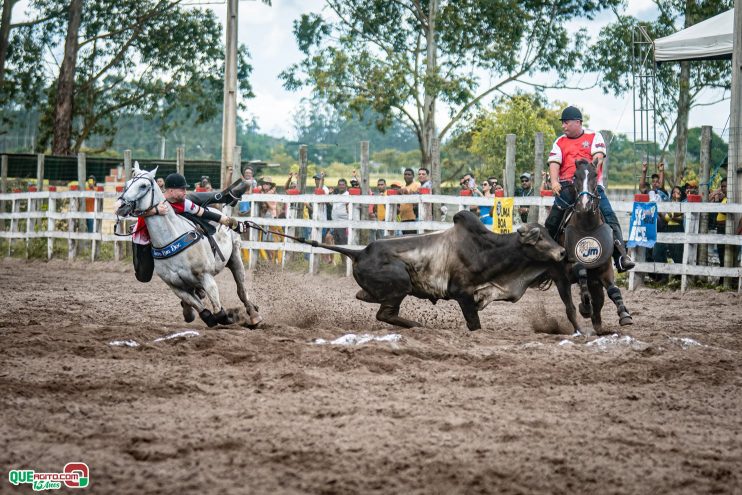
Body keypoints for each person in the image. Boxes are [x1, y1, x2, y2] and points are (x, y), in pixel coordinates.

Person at [545, 105, 635, 272]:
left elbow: (598, 155)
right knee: (552, 220)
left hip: (591, 186)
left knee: (609, 216)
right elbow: (554, 162)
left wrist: (594, 164)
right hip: (567, 186)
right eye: (562, 123)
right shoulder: (560, 141)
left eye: (566, 122)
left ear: (578, 122)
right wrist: (555, 181)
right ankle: (545, 258)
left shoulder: (594, 136)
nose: (563, 126)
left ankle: (621, 256)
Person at [131, 173, 240, 282]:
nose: (185, 192)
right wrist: (155, 211)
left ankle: (225, 197)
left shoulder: (183, 203)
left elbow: (203, 213)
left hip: (167, 241)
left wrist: (227, 221)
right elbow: (131, 211)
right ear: (171, 191)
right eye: (182, 189)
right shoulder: (153, 200)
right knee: (143, 276)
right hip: (144, 238)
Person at [399, 168, 419, 234]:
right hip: (402, 218)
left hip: (412, 218)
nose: (407, 176)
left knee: (411, 239)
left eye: (409, 174)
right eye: (405, 174)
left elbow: (417, 197)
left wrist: (408, 193)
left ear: (413, 176)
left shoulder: (417, 185)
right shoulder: (402, 187)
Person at [331, 178, 350, 244]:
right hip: (334, 224)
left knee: (343, 245)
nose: (341, 186)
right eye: (340, 185)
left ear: (346, 186)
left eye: (343, 185)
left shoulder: (349, 195)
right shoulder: (337, 195)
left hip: (343, 224)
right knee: (337, 245)